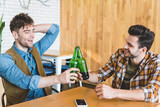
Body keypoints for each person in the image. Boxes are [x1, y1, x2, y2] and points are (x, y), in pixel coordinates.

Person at [0, 13, 82, 106]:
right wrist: (58, 79)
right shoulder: (5, 59)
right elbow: (24, 81)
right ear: (15, 34)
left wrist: (30, 27)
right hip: (22, 104)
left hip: (45, 100)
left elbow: (54, 29)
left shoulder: (36, 49)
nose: (32, 35)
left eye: (33, 31)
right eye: (27, 32)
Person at [87, 25, 160, 102]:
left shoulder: (156, 62)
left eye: (130, 45)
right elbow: (101, 74)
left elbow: (153, 92)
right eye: (126, 42)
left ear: (143, 50)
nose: (124, 46)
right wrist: (86, 75)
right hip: (117, 103)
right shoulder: (120, 54)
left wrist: (114, 92)